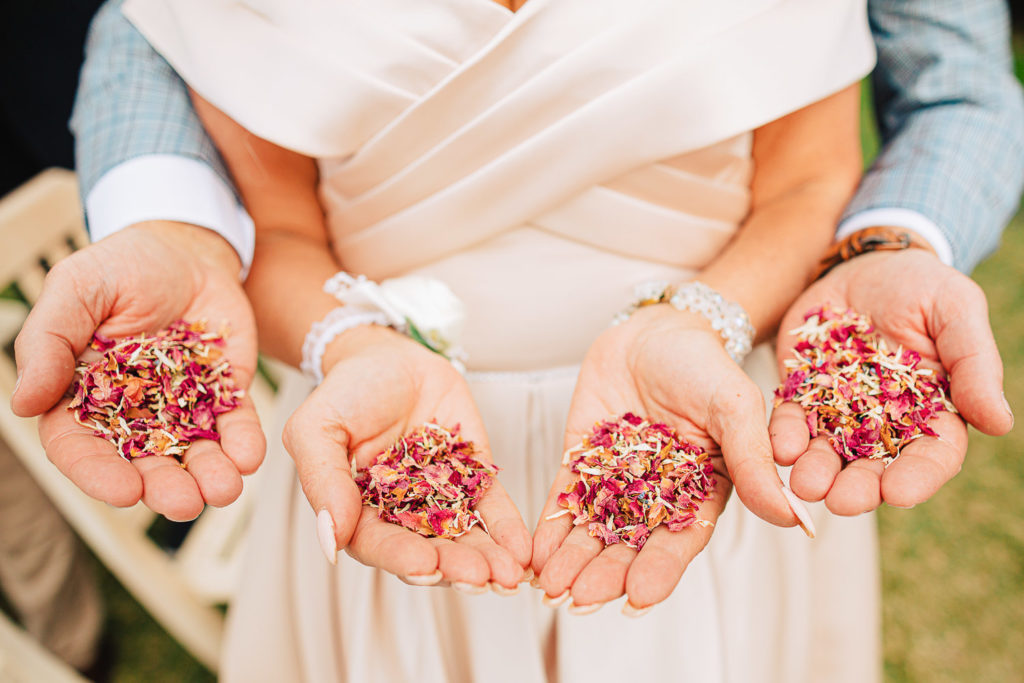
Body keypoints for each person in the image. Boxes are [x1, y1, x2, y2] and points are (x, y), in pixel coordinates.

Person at [8, 0, 1021, 681]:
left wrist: (698, 321)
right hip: (383, 446)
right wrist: (356, 344)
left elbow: (808, 178)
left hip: (703, 429)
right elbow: (279, 229)